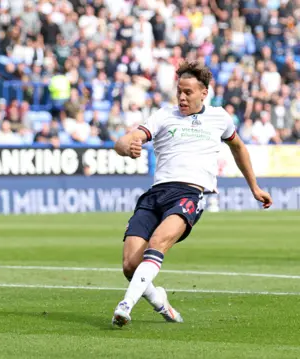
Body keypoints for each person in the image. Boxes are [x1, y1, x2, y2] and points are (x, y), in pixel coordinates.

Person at [111, 60, 273, 328]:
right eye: (179, 92)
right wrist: (127, 148)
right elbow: (124, 140)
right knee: (130, 265)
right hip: (156, 195)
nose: (182, 97)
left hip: (189, 193)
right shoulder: (164, 115)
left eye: (188, 92)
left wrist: (254, 187)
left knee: (158, 242)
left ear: (203, 93)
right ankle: (160, 300)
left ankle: (125, 306)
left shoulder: (219, 117)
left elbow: (239, 148)